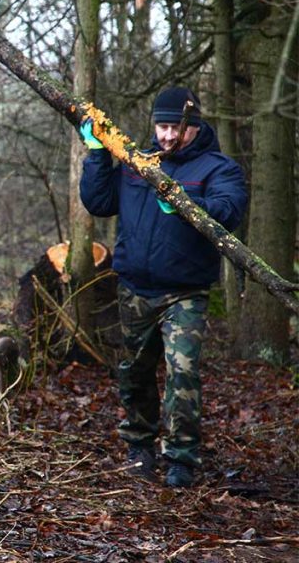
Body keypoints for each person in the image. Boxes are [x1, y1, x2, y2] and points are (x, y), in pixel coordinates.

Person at [79, 86, 247, 488]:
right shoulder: (138, 162)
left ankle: (181, 460)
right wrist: (98, 154)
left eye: (176, 127)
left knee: (182, 372)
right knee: (134, 371)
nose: (168, 136)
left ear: (194, 125)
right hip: (135, 288)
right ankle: (139, 445)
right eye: (162, 126)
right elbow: (99, 202)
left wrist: (189, 206)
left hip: (184, 292)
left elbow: (229, 210)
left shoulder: (218, 168)